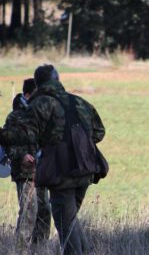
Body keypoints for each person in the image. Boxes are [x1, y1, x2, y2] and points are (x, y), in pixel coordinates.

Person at [0, 65, 106, 255]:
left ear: (39, 83)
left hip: (61, 172)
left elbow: (23, 135)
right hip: (87, 168)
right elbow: (99, 133)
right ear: (57, 79)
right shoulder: (79, 102)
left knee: (65, 223)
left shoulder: (40, 104)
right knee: (71, 219)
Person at [3, 78, 51, 249]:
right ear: (27, 94)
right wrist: (21, 155)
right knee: (29, 211)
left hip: (42, 170)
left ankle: (40, 248)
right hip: (24, 171)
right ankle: (20, 249)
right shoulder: (15, 117)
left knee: (44, 211)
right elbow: (7, 143)